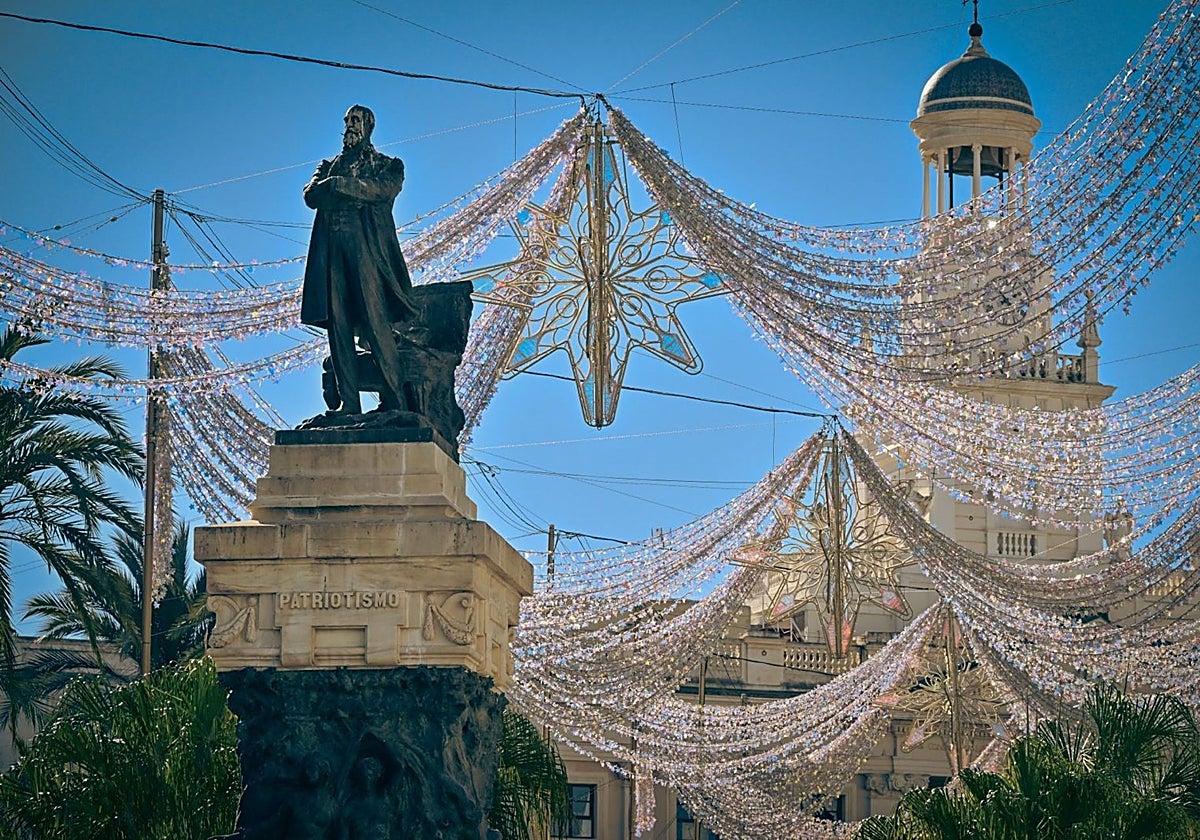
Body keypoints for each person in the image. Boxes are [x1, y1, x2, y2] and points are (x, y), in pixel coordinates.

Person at [301, 104, 417, 414]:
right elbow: (311, 196)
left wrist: (342, 187)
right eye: (347, 120)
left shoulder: (387, 164)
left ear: (368, 126)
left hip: (366, 249)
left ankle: (395, 400)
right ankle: (349, 406)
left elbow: (382, 191)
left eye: (356, 120)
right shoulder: (328, 166)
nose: (349, 125)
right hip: (332, 250)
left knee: (374, 320)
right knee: (337, 326)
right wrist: (337, 186)